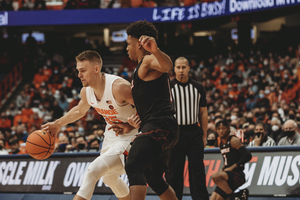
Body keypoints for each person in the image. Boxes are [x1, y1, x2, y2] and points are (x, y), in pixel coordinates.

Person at [42, 50, 140, 200]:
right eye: (78, 71)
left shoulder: (118, 87)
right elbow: (79, 111)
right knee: (109, 178)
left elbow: (148, 109)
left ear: (96, 69)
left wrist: (130, 126)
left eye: (83, 70)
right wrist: (57, 124)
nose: (79, 75)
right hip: (112, 133)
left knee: (93, 170)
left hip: (133, 135)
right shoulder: (86, 92)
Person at [121, 20, 179, 200]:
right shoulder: (141, 66)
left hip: (160, 125)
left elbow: (168, 66)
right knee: (153, 177)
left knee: (133, 165)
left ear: (139, 43)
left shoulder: (148, 60)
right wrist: (133, 123)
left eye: (129, 44)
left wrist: (155, 50)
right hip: (160, 126)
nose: (127, 48)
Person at [165, 57, 209, 200]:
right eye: (178, 67)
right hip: (175, 134)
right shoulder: (168, 87)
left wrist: (204, 136)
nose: (181, 70)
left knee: (197, 171)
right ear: (174, 69)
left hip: (194, 133)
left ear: (189, 68)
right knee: (173, 173)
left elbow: (203, 112)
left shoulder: (198, 87)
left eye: (184, 67)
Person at [210, 120, 252, 200]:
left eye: (223, 128)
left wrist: (232, 167)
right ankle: (237, 195)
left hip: (237, 174)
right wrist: (222, 168)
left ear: (228, 129)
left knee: (215, 176)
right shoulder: (221, 143)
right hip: (227, 175)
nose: (221, 131)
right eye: (219, 129)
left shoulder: (233, 140)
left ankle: (234, 196)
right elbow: (227, 160)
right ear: (216, 130)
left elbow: (247, 155)